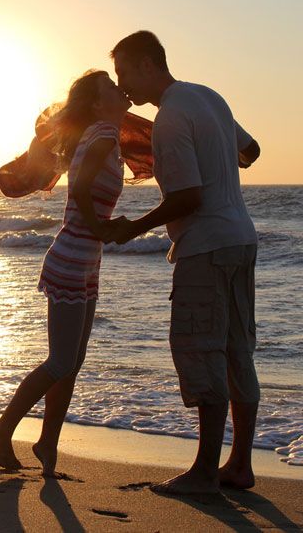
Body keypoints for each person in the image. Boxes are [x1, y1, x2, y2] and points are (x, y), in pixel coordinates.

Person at [108, 31, 261, 494]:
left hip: (205, 247)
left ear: (148, 65)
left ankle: (202, 473)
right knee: (238, 351)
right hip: (241, 238)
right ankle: (238, 465)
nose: (124, 87)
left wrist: (131, 227)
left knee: (200, 349)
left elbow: (188, 197)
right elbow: (249, 153)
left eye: (125, 73)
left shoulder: (171, 118)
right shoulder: (207, 96)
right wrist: (217, 158)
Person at [0, 70, 132, 475]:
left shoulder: (103, 134)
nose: (121, 90)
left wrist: (105, 226)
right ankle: (2, 429)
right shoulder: (103, 134)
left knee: (71, 362)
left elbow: (89, 196)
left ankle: (48, 444)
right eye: (111, 88)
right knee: (61, 361)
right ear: (98, 104)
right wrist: (103, 228)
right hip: (72, 259)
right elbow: (82, 191)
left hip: (84, 259)